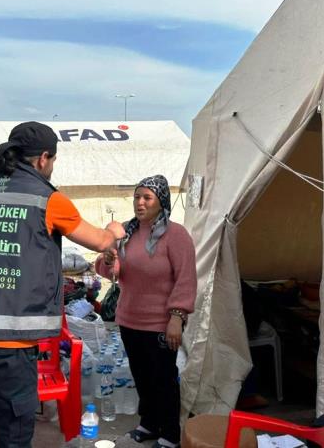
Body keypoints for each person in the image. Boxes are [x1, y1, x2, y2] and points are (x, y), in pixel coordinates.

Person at [0, 121, 126, 447]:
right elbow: (98, 240)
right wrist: (115, 231)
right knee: (12, 434)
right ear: (43, 159)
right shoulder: (48, 200)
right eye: (53, 161)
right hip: (8, 344)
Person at [95, 175, 197, 448]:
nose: (140, 203)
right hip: (130, 319)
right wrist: (108, 259)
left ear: (161, 201)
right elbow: (113, 272)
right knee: (141, 375)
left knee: (163, 378)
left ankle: (170, 434)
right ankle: (149, 423)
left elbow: (186, 278)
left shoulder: (176, 236)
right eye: (137, 197)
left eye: (147, 197)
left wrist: (177, 316)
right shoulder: (128, 232)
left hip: (161, 323)